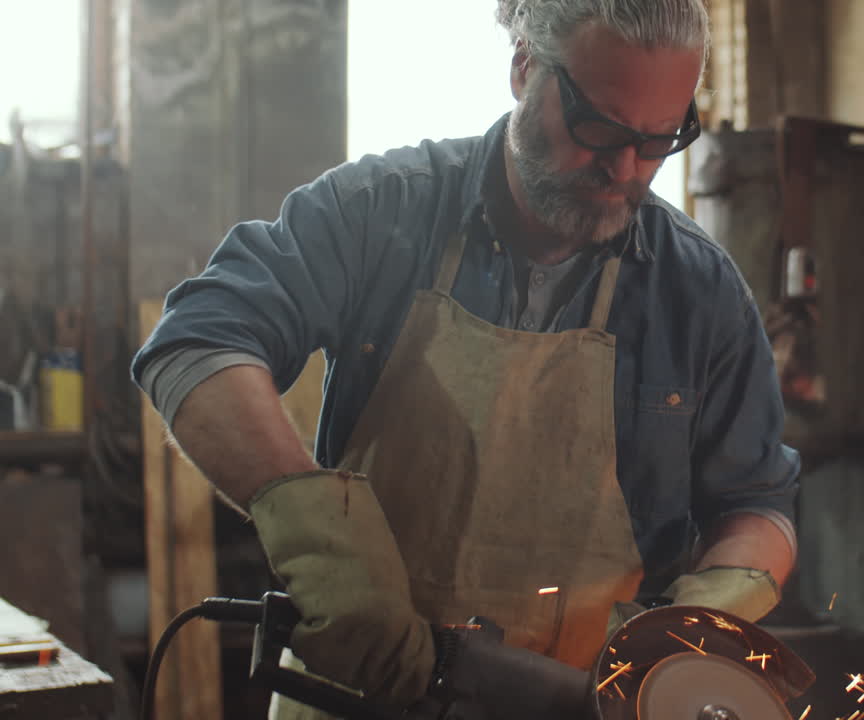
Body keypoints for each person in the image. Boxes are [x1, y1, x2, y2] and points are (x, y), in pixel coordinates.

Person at [133, 1, 800, 717]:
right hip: (362, 693)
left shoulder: (698, 292)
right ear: (523, 67)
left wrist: (679, 640)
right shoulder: (381, 212)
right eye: (599, 129)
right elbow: (199, 338)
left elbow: (756, 504)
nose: (624, 169)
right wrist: (316, 537)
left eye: (657, 140)